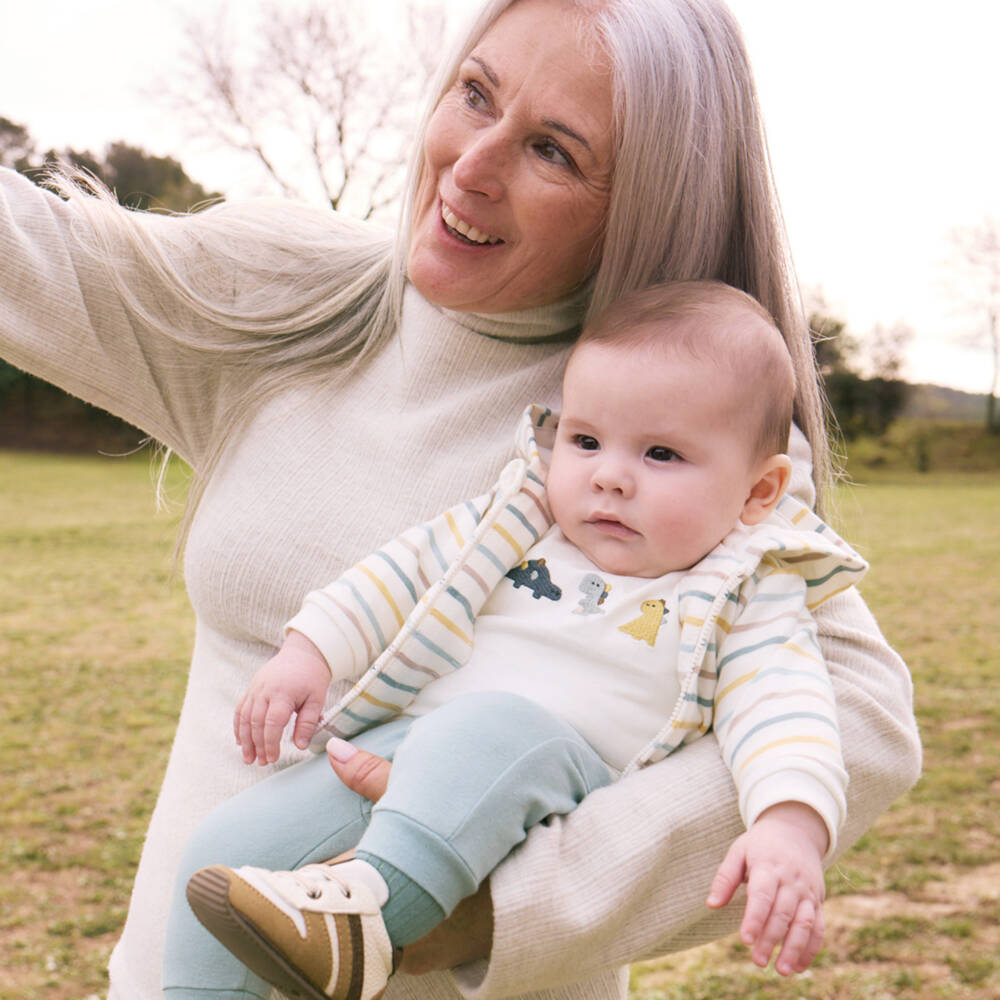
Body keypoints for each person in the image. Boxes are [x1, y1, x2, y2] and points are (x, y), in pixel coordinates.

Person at [0, 0, 920, 998]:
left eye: (553, 151)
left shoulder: (665, 422)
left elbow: (856, 719)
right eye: (474, 94)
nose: (471, 165)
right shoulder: (283, 294)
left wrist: (494, 906)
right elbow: (30, 253)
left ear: (647, 206)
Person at [175, 280, 867, 1000]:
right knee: (225, 848)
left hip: (553, 773)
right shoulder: (519, 520)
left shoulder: (746, 586)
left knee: (493, 724)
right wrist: (310, 651)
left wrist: (790, 822)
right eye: (586, 441)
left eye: (661, 453)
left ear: (759, 492)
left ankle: (366, 926)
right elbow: (404, 573)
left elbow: (784, 705)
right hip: (408, 748)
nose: (609, 477)